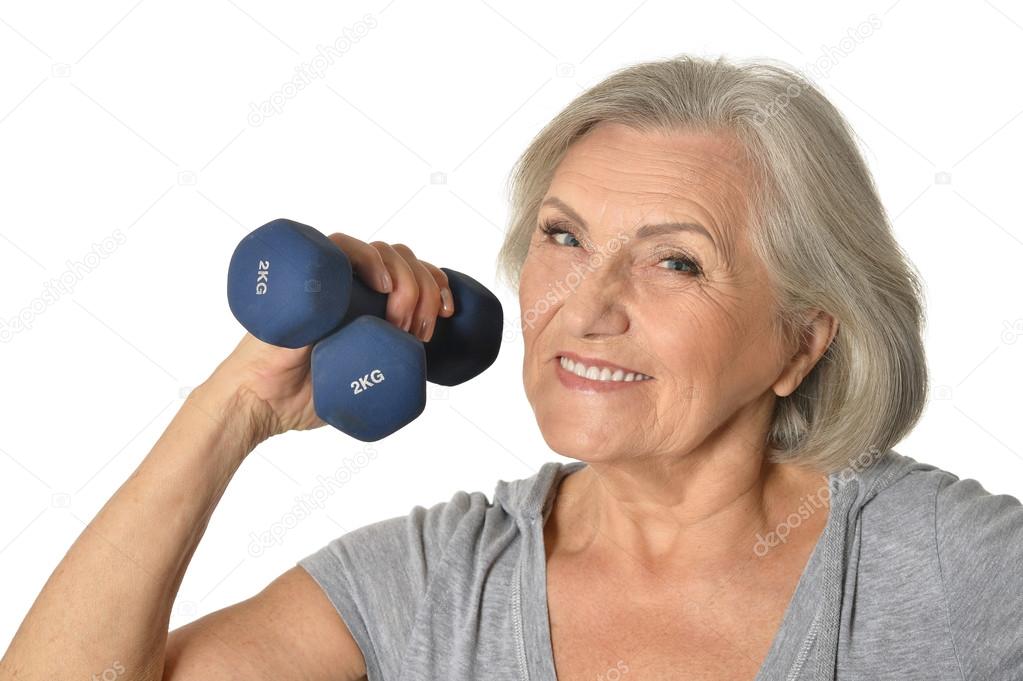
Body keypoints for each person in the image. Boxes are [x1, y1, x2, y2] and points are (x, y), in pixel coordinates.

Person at [3, 54, 1022, 681]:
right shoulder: (436, 582)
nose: (587, 305)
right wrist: (238, 403)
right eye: (564, 238)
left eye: (675, 261)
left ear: (802, 340)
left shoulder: (954, 568)